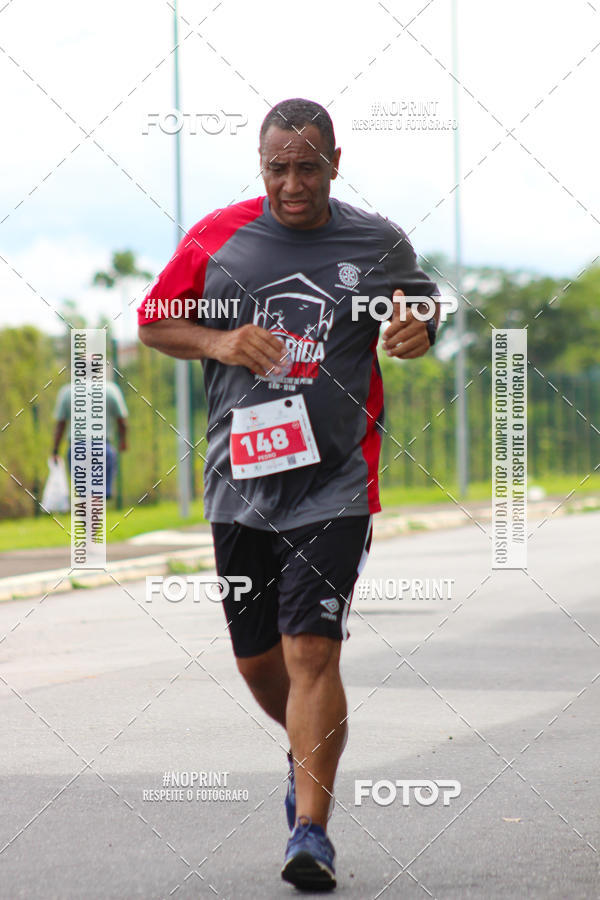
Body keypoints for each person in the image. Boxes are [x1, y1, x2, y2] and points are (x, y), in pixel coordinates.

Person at [138, 97, 440, 891]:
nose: (294, 184)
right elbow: (152, 323)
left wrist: (418, 326)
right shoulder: (218, 238)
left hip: (336, 483)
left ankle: (311, 830)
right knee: (260, 665)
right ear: (260, 165)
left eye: (309, 167)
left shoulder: (375, 240)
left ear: (335, 164)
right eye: (279, 168)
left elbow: (418, 304)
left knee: (313, 651)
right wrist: (219, 339)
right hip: (239, 487)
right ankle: (311, 748)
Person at [52, 378, 128, 500]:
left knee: (85, 494)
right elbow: (122, 422)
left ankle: (88, 517)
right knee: (97, 494)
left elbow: (60, 425)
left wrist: (55, 450)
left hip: (77, 448)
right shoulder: (111, 390)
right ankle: (93, 517)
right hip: (102, 447)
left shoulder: (67, 392)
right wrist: (123, 441)